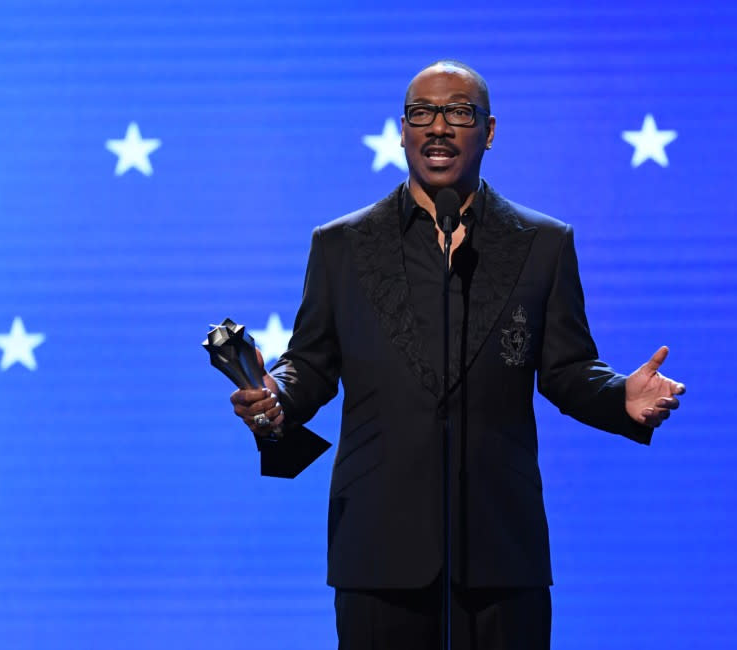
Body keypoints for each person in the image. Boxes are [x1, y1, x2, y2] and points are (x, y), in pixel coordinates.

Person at [229, 60, 685, 650]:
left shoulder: (543, 244)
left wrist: (618, 396)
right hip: (378, 546)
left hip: (500, 547)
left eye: (458, 113)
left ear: (489, 131)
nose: (438, 127)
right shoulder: (340, 245)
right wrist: (276, 396)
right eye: (422, 113)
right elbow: (311, 365)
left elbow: (568, 368)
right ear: (402, 130)